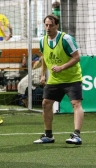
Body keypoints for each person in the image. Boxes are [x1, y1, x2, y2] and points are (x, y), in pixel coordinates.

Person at [33, 14, 84, 145]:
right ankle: (48, 135)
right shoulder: (43, 40)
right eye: (46, 25)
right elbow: (44, 57)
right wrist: (43, 74)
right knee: (45, 103)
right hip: (55, 79)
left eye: (51, 25)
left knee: (76, 104)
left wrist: (62, 67)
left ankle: (77, 135)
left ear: (57, 25)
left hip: (72, 78)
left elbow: (77, 57)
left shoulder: (66, 39)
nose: (48, 28)